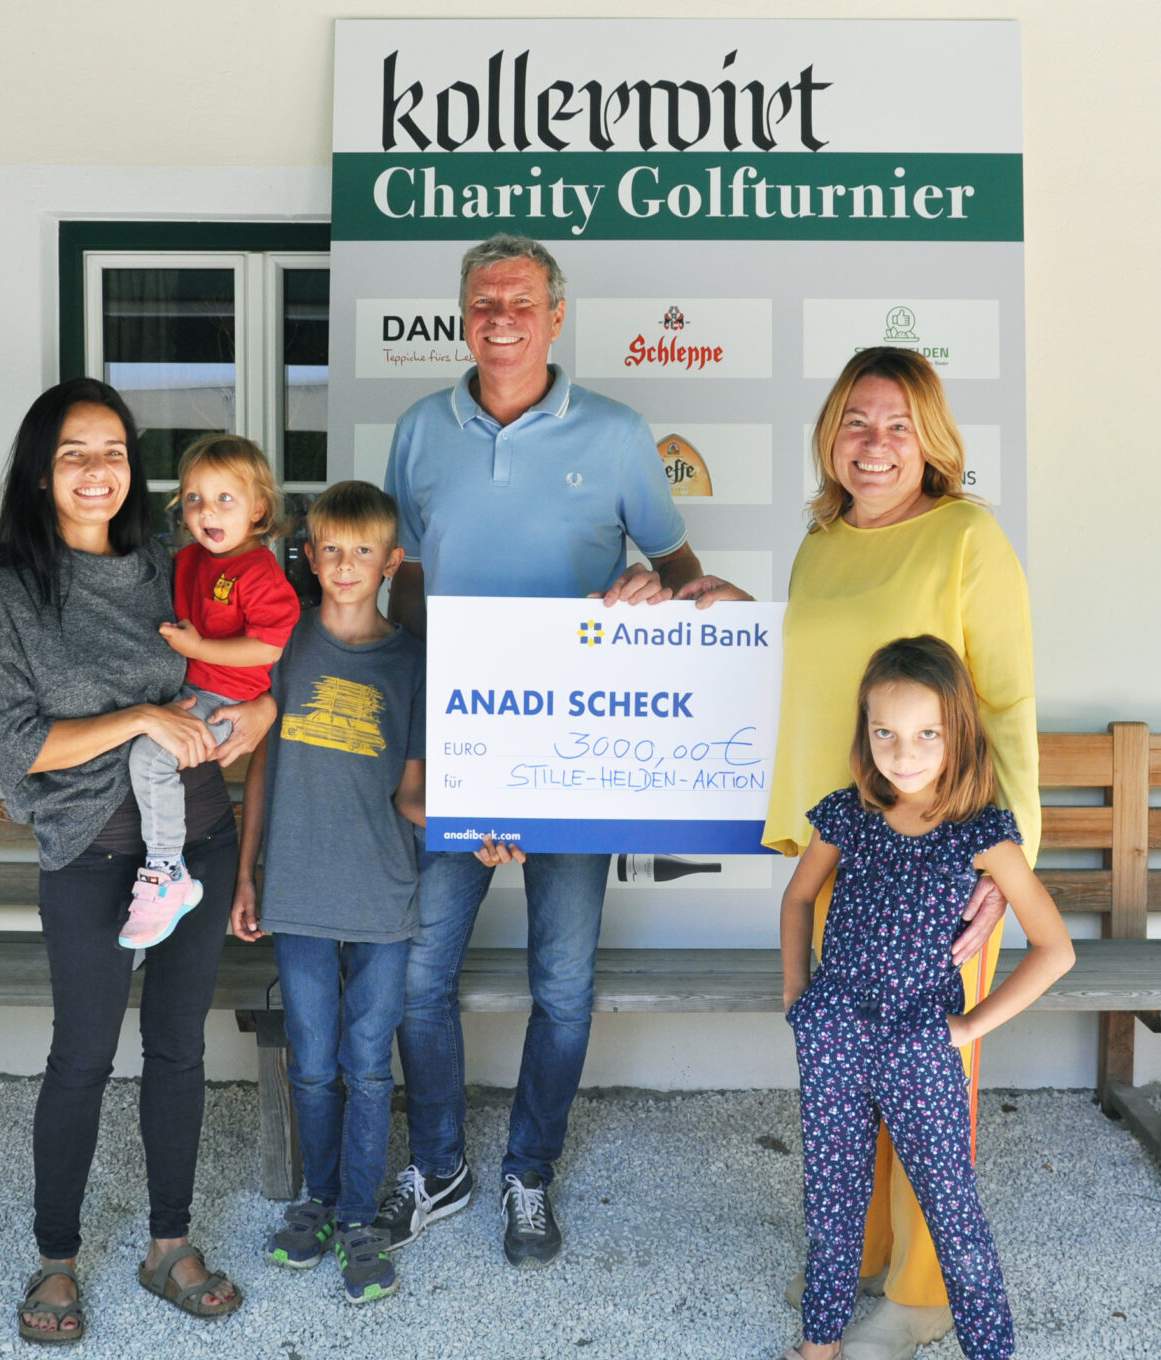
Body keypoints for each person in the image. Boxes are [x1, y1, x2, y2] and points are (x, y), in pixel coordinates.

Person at [380, 233, 707, 1268]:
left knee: (563, 986)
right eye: (483, 302)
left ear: (557, 316)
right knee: (417, 975)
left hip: (576, 756)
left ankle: (528, 1169)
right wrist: (434, 720)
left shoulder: (615, 433)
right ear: (462, 316)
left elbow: (680, 570)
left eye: (521, 301)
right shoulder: (418, 432)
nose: (502, 318)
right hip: (456, 742)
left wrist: (654, 593)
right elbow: (401, 581)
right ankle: (439, 1167)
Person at [0, 378, 274, 1345]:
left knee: (178, 1049)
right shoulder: (5, 589)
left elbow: (262, 650)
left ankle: (167, 1244)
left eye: (114, 450)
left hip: (203, 841)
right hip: (93, 857)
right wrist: (138, 716)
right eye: (73, 452)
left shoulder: (174, 562)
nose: (98, 469)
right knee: (83, 1058)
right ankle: (57, 1257)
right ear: (40, 471)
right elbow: (12, 739)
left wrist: (259, 713)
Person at [764, 347, 1042, 1360]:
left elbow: (1003, 702)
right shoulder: (818, 542)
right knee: (850, 1080)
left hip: (946, 870)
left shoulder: (966, 536)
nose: (872, 444)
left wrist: (1005, 871)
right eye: (853, 421)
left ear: (930, 438)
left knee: (930, 1086)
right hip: (843, 846)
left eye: (894, 424)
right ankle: (861, 1254)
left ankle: (924, 1293)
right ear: (829, 434)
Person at [230, 481, 506, 1305]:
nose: (343, 565)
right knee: (312, 1065)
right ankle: (315, 1202)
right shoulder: (282, 646)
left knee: (367, 1066)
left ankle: (358, 1215)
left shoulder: (413, 662)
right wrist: (246, 874)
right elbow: (261, 766)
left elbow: (413, 796)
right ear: (308, 556)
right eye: (329, 550)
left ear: (392, 563)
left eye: (362, 552)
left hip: (386, 897)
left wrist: (477, 830)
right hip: (301, 894)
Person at [777, 637, 1074, 1360]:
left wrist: (966, 1028)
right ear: (866, 731)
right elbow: (798, 897)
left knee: (953, 1212)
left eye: (925, 736)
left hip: (921, 1045)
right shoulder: (849, 814)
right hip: (836, 1034)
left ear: (957, 734)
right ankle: (820, 1346)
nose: (903, 755)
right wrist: (799, 1002)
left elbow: (1055, 949)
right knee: (832, 1198)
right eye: (886, 734)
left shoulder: (980, 835)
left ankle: (990, 1351)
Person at [121, 434, 300, 950]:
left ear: (258, 509)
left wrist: (200, 645)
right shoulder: (192, 559)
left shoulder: (257, 569)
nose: (207, 511)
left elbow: (267, 648)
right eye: (195, 498)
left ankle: (166, 872)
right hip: (191, 688)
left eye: (226, 499)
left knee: (151, 758)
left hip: (223, 699)